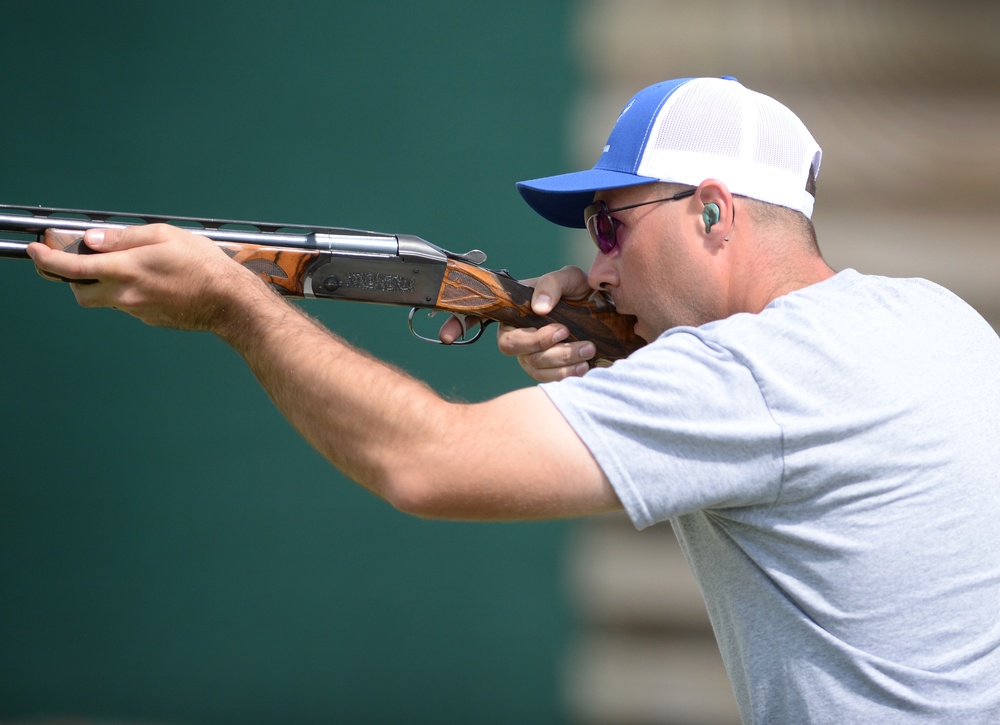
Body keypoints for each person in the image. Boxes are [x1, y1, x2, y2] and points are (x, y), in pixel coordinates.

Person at [27, 77, 1000, 723]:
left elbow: (428, 465)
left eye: (612, 226)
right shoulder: (930, 316)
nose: (594, 259)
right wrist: (628, 354)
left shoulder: (752, 373)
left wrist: (241, 307)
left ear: (711, 209)